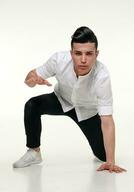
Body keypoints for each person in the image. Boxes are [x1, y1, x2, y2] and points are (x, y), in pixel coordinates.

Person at [13, 26, 126, 173]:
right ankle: (34, 152)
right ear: (71, 53)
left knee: (103, 156)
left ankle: (105, 156)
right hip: (61, 100)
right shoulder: (58, 60)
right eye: (78, 53)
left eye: (89, 54)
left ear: (96, 54)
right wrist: (32, 81)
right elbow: (30, 77)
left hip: (87, 111)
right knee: (32, 105)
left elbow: (107, 120)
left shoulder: (102, 76)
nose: (83, 60)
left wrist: (111, 161)